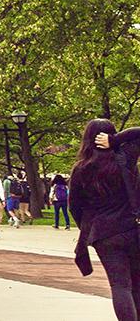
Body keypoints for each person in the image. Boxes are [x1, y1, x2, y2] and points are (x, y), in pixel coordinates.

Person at [77, 120, 140, 321]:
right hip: (132, 228)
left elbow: (75, 207)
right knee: (137, 284)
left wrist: (90, 229)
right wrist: (116, 140)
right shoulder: (126, 157)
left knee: (120, 285)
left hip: (104, 234)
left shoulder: (81, 168)